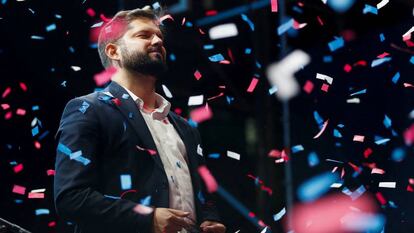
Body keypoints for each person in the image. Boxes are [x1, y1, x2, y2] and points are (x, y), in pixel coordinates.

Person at [53, 6, 226, 233]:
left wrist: (209, 219)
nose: (157, 41)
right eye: (144, 35)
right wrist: (148, 217)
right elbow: (71, 198)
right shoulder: (88, 109)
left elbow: (203, 194)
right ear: (114, 51)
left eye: (159, 37)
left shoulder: (184, 128)